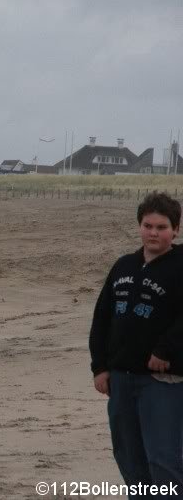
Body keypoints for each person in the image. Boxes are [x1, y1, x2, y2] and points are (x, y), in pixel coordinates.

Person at [89, 191, 183, 496]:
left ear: (176, 230)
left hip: (162, 381)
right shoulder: (123, 266)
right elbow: (102, 318)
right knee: (129, 456)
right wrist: (100, 367)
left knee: (164, 459)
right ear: (139, 226)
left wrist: (164, 350)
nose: (153, 232)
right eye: (148, 225)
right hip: (121, 379)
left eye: (161, 227)